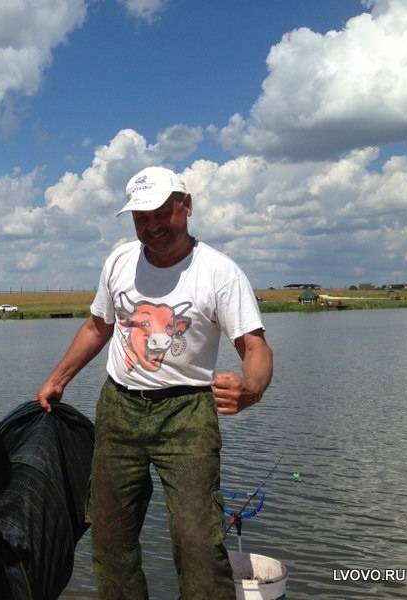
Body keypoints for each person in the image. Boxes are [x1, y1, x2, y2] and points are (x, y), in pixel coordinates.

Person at [35, 166, 273, 599]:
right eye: (141, 218)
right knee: (110, 537)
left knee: (198, 541)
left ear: (187, 206)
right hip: (119, 409)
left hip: (187, 414)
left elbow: (254, 347)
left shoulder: (219, 272)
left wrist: (251, 388)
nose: (153, 226)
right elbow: (97, 327)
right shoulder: (119, 261)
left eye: (163, 212)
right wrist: (58, 379)